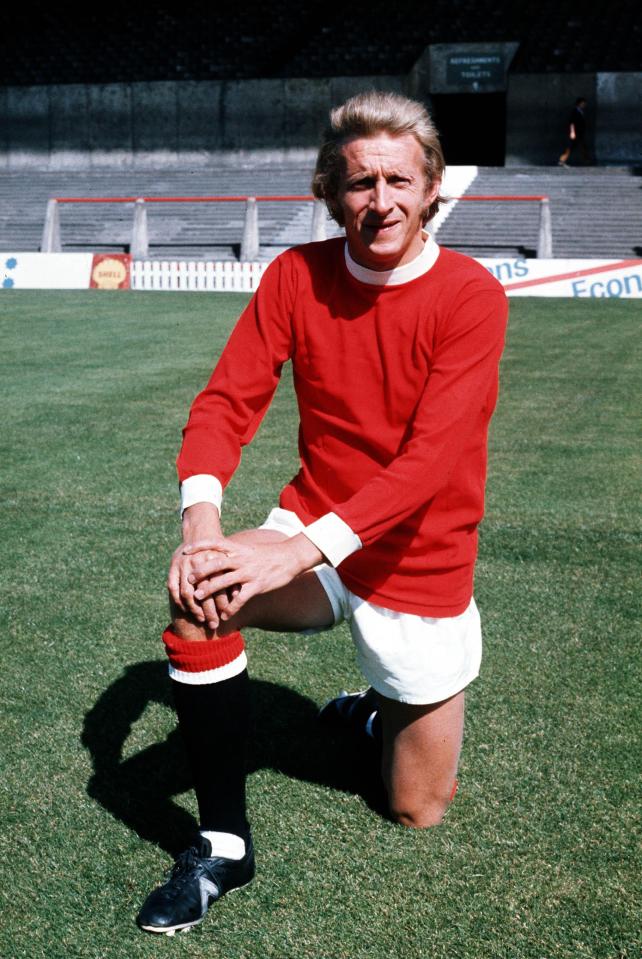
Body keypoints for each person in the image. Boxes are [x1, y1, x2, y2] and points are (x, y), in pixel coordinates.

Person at [137, 91, 508, 936]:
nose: (380, 201)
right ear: (330, 191)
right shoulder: (295, 276)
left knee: (416, 809)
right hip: (318, 531)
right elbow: (225, 404)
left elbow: (425, 467)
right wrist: (204, 524)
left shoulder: (470, 297)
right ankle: (224, 845)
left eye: (398, 181)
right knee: (201, 597)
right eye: (359, 182)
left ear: (433, 188)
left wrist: (296, 550)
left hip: (420, 557)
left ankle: (375, 709)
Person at [558, 97, 590, 167]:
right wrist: (572, 132)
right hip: (576, 133)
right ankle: (562, 161)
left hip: (580, 133)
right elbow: (572, 122)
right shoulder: (575, 111)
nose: (584, 105)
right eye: (583, 103)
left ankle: (587, 161)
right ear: (579, 103)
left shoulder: (581, 112)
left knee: (582, 147)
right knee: (571, 147)